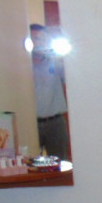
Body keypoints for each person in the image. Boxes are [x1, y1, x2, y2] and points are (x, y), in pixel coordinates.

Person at [30, 24, 70, 161]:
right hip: (30, 122)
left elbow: (73, 79)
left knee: (61, 163)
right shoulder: (21, 65)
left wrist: (61, 57)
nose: (38, 43)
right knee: (30, 163)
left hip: (55, 122)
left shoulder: (56, 62)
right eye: (34, 39)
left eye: (41, 39)